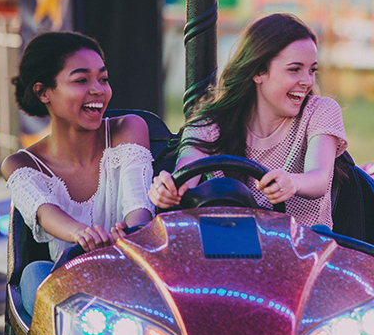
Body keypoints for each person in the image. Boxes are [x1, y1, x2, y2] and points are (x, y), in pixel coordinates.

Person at [1, 31, 154, 315]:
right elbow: (46, 214)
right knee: (35, 273)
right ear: (43, 91)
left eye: (103, 79)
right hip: (70, 283)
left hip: (132, 272)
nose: (98, 90)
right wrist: (82, 234)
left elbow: (138, 204)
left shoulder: (129, 129)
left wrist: (132, 232)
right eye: (82, 80)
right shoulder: (21, 163)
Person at [149, 13, 348, 229]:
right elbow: (184, 177)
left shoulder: (319, 111)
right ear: (258, 72)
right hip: (232, 250)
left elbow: (318, 177)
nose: (307, 81)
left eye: (312, 70)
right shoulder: (210, 124)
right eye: (294, 69)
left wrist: (292, 182)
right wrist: (166, 190)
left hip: (301, 249)